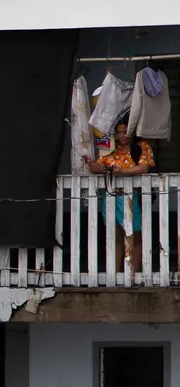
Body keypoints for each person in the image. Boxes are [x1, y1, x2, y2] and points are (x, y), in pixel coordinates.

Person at [83, 116, 155, 272]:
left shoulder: (141, 147)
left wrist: (121, 172)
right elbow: (98, 168)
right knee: (114, 236)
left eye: (126, 131)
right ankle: (115, 273)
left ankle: (134, 273)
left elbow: (143, 168)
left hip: (131, 197)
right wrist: (90, 162)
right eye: (119, 132)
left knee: (134, 236)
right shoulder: (110, 148)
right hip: (111, 197)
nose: (122, 135)